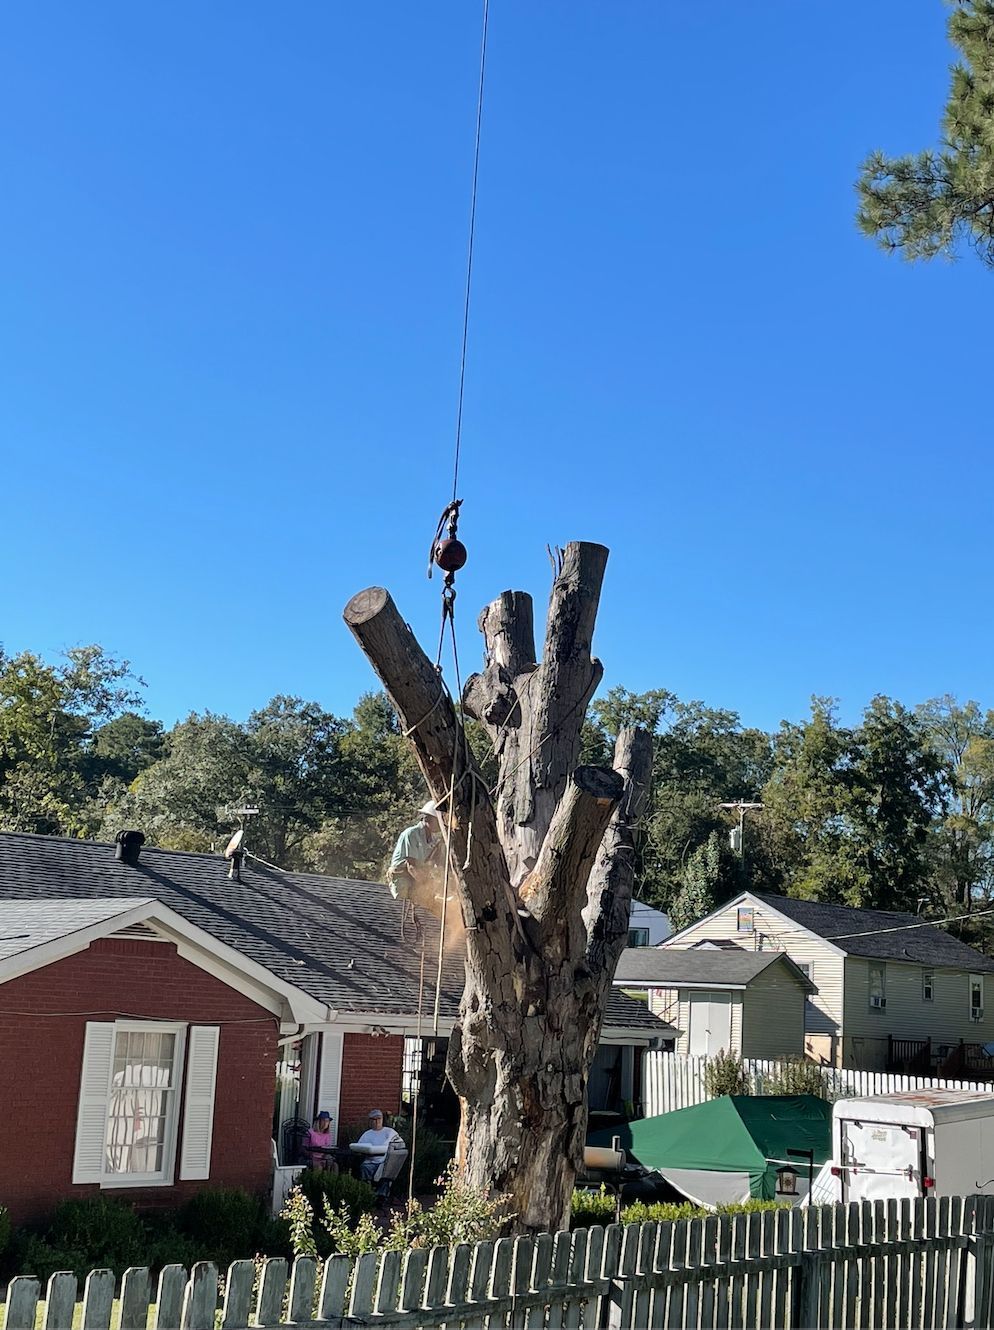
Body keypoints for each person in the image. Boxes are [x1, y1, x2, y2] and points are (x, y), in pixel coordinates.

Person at [389, 801, 441, 903]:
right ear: (427, 819)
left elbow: (434, 864)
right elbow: (411, 866)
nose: (441, 825)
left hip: (417, 876)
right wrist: (427, 885)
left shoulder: (433, 840)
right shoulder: (411, 834)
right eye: (438, 821)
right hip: (402, 877)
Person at [354, 1108, 403, 1192]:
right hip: (370, 1162)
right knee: (365, 1167)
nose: (377, 1121)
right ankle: (368, 1192)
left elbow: (401, 1145)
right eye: (374, 1119)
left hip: (385, 1162)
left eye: (379, 1119)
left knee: (385, 1175)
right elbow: (359, 1147)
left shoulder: (390, 1132)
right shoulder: (367, 1134)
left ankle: (381, 1196)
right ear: (370, 1121)